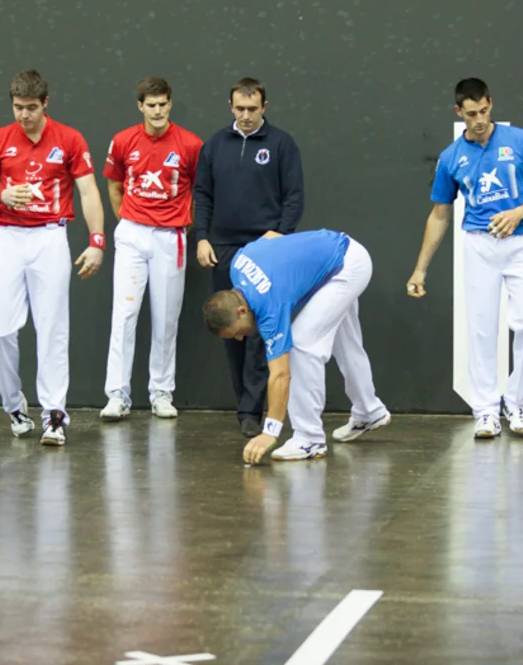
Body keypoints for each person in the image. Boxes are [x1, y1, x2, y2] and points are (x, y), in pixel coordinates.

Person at [406, 78, 523, 439]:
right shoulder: (450, 157)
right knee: (481, 330)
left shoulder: (522, 140)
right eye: (471, 114)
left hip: (522, 242)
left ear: (491, 104)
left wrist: (518, 213)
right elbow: (440, 214)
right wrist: (420, 269)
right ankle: (486, 411)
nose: (479, 120)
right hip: (479, 245)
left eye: (484, 111)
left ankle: (516, 403)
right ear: (459, 111)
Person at [0, 69, 106, 447]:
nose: (24, 115)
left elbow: (89, 192)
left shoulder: (70, 139)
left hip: (50, 237)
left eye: (31, 107)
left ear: (45, 103)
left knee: (52, 328)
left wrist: (96, 241)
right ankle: (15, 406)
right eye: (18, 107)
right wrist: (0, 195)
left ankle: (54, 415)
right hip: (10, 237)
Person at [202, 229, 391, 464]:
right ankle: (369, 411)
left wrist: (270, 432)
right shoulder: (238, 263)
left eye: (237, 332)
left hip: (346, 266)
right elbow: (271, 236)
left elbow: (281, 375)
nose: (240, 338)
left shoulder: (269, 307)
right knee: (345, 341)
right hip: (339, 251)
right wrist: (300, 265)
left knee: (302, 346)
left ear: (241, 311)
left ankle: (309, 438)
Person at [193, 77, 305, 437]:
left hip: (264, 250)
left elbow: (294, 195)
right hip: (223, 249)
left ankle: (252, 411)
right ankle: (244, 404)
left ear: (264, 107)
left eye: (252, 109)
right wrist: (202, 237)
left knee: (259, 332)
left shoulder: (281, 143)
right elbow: (202, 194)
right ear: (230, 106)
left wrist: (281, 233)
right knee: (232, 329)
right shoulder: (214, 144)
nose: (245, 115)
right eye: (239, 108)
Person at [99, 77, 204, 420]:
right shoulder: (122, 140)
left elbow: (201, 192)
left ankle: (161, 392)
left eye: (162, 104)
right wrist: (129, 222)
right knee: (124, 315)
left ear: (170, 104)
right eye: (151, 105)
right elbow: (114, 187)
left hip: (171, 238)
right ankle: (117, 394)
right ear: (140, 106)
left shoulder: (191, 144)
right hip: (132, 235)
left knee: (165, 318)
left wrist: (181, 223)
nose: (157, 111)